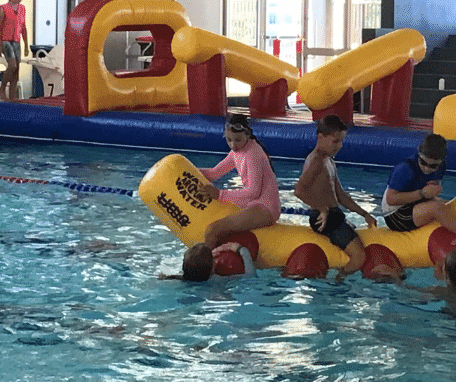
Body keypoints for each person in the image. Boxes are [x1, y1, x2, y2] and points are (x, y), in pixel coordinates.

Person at [293, 114, 377, 279]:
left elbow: (341, 196)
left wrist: (365, 214)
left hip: (332, 215)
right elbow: (299, 190)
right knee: (359, 257)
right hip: (323, 218)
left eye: (341, 141)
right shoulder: (316, 160)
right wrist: (321, 209)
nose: (339, 146)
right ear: (320, 137)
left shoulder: (328, 161)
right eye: (335, 141)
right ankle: (337, 282)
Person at [198, 113, 281, 249]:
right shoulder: (238, 152)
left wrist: (219, 194)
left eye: (237, 140)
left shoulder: (252, 154)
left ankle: (206, 267)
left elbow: (253, 192)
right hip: (254, 205)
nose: (233, 145)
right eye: (229, 139)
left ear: (247, 135)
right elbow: (214, 173)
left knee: (212, 230)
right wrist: (186, 169)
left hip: (265, 208)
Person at [381, 133, 456, 237]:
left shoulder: (441, 167)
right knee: (437, 208)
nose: (427, 168)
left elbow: (429, 195)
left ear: (442, 161)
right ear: (419, 154)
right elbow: (390, 199)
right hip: (394, 215)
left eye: (433, 165)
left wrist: (430, 196)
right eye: (423, 162)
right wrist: (422, 194)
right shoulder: (405, 168)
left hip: (414, 205)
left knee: (452, 204)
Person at [0, 0, 30, 101]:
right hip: (6, 40)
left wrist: (26, 45)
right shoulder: (4, 8)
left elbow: (23, 27)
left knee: (16, 69)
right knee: (12, 65)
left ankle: (12, 96)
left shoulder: (22, 8)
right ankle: (3, 87)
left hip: (16, 40)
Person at [161, 240, 257, 282]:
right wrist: (242, 250)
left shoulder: (176, 278)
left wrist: (208, 258)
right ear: (212, 270)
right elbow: (250, 276)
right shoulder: (216, 280)